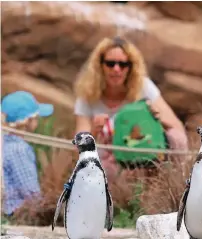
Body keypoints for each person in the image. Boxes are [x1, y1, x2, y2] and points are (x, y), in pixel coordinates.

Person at [74, 36, 188, 177]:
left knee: (176, 139)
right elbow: (77, 147)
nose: (116, 69)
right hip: (108, 162)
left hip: (144, 153)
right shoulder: (87, 94)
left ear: (131, 67)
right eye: (110, 64)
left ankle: (174, 185)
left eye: (123, 64)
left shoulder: (143, 87)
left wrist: (156, 118)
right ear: (100, 65)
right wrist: (93, 131)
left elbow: (177, 129)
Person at [1, 91, 54, 217]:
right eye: (36, 118)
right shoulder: (19, 149)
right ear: (28, 122)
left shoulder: (4, 144)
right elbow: (30, 193)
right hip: (16, 213)